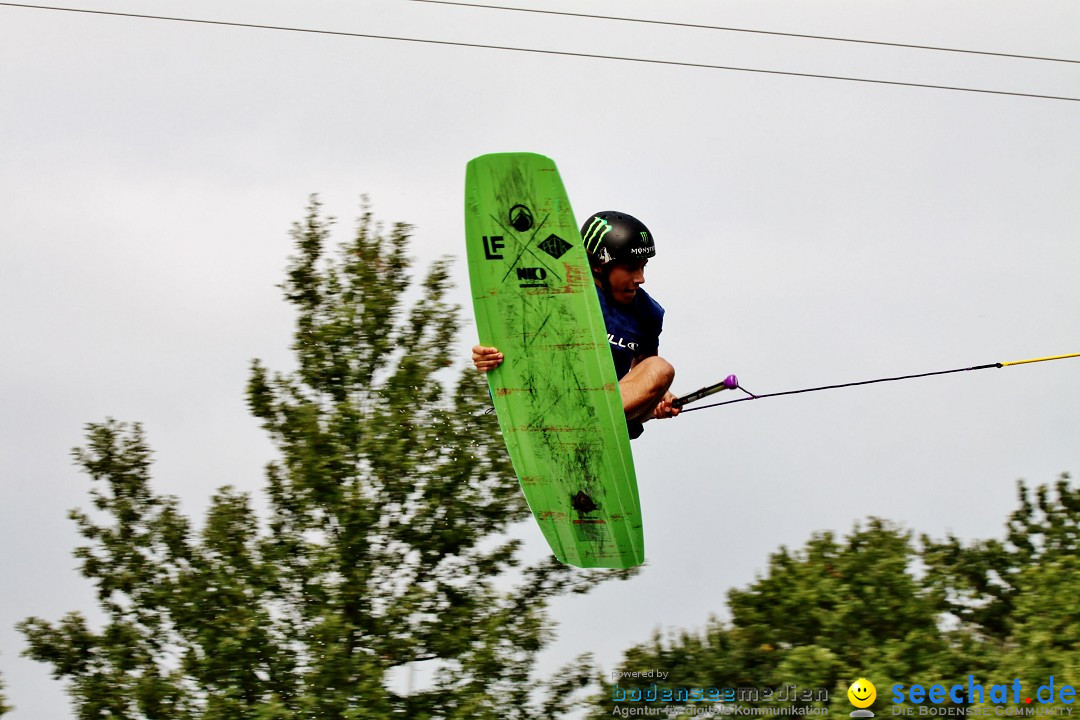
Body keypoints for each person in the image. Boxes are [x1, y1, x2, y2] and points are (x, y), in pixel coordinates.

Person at [472, 210, 679, 439]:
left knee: (660, 369)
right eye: (631, 268)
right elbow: (512, 321)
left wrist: (656, 398)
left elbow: (640, 373)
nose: (640, 278)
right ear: (598, 265)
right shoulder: (560, 282)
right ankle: (560, 417)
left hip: (595, 408)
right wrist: (488, 353)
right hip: (540, 391)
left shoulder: (648, 314)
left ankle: (584, 424)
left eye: (643, 267)